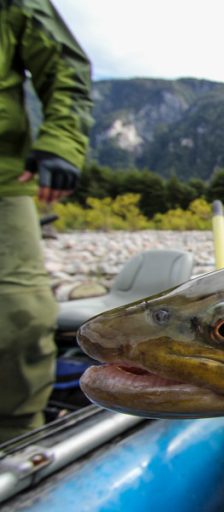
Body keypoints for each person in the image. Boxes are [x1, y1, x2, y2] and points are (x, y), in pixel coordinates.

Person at [0, 0, 93, 442]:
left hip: (5, 176)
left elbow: (66, 69)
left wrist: (60, 141)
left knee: (20, 313)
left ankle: (18, 435)